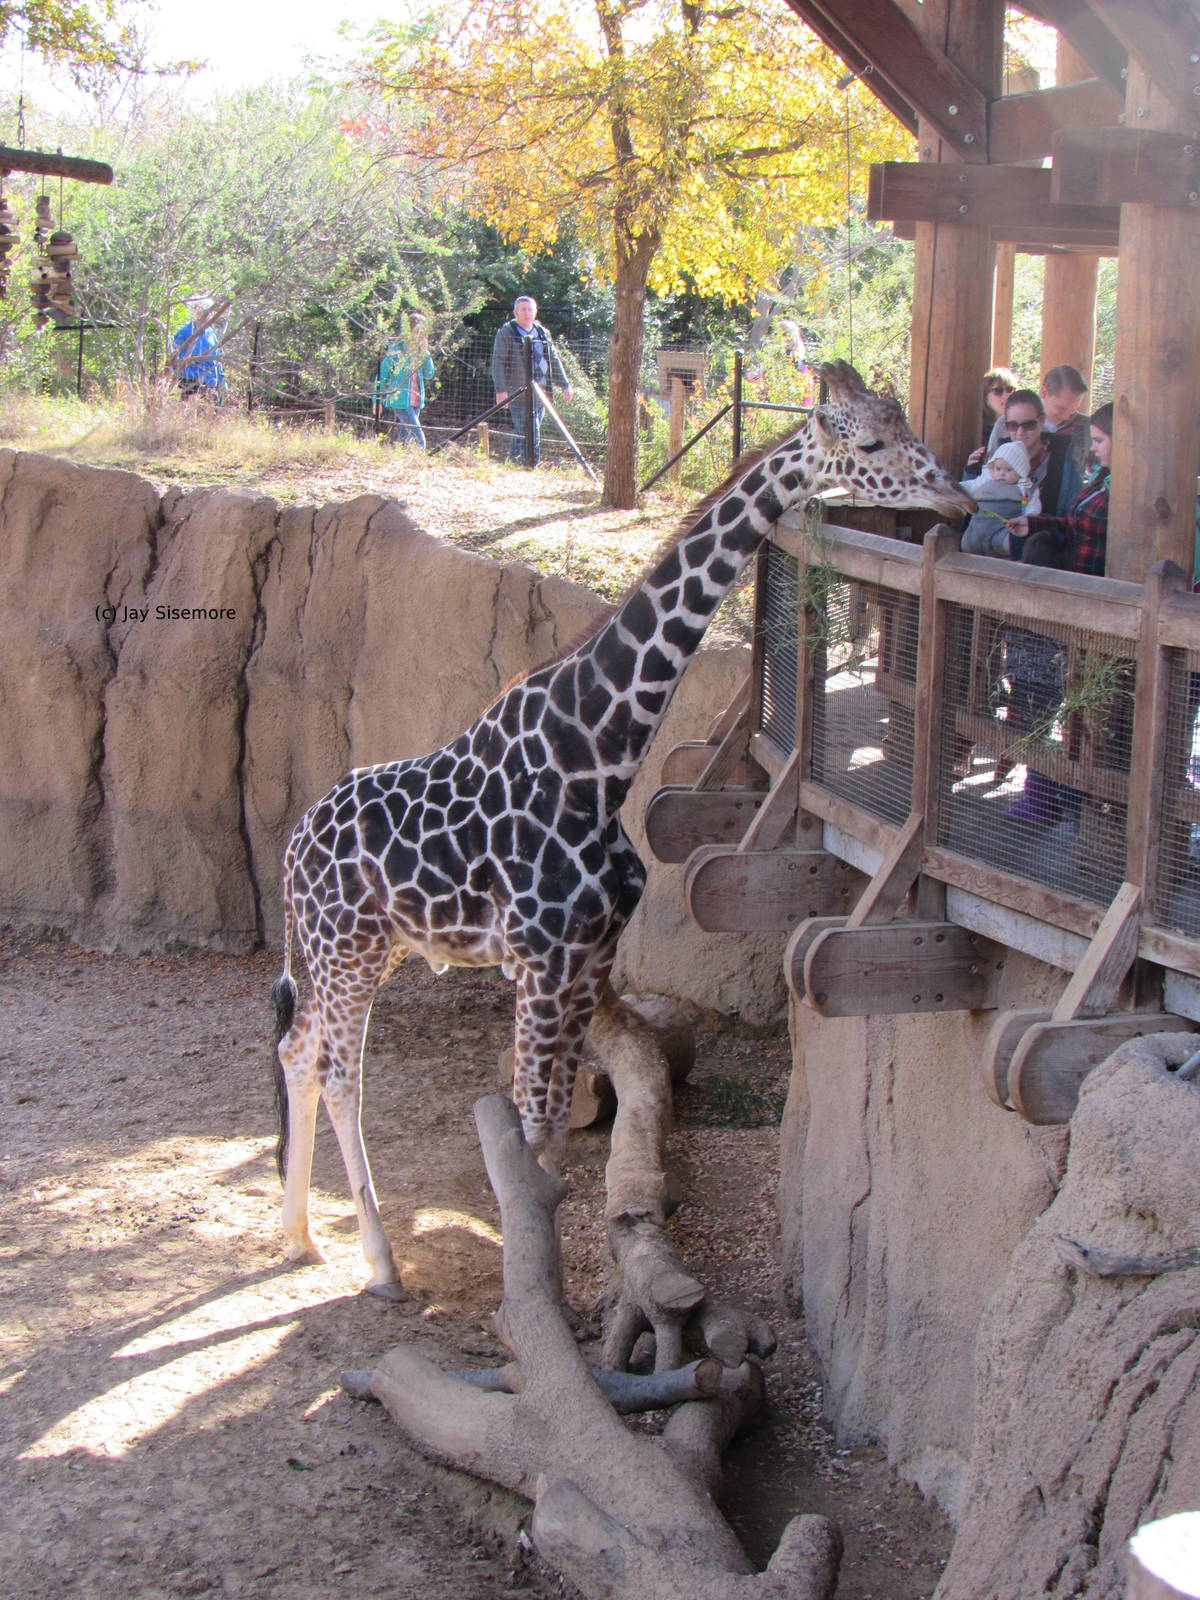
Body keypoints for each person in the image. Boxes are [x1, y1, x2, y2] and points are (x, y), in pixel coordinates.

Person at [999, 403, 1114, 822]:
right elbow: (1075, 523)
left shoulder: (1124, 488)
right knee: (1042, 696)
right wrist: (1040, 524)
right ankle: (1046, 793)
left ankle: (1060, 795)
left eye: (1100, 441)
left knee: (1071, 705)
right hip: (1068, 598)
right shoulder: (1102, 479)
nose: (1095, 448)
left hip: (1092, 606)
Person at [965, 388, 1082, 517]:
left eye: (1028, 425)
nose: (1020, 432)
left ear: (1042, 420)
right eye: (1013, 425)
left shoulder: (1063, 462)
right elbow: (972, 499)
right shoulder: (998, 455)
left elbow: (1073, 516)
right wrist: (971, 472)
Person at [491, 295, 572, 466]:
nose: (527, 313)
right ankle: (531, 467)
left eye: (530, 309)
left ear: (535, 312)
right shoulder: (506, 332)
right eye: (523, 309)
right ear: (515, 312)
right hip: (518, 393)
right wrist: (501, 390)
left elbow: (553, 360)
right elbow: (497, 362)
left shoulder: (542, 332)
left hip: (542, 393)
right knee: (530, 430)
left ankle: (512, 463)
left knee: (525, 431)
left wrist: (565, 384)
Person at [959, 439, 1040, 557]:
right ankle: (964, 544)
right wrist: (953, 487)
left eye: (1008, 470)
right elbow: (968, 486)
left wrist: (1029, 517)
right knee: (963, 540)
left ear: (1020, 472)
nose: (1002, 473)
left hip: (1002, 532)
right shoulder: (984, 482)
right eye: (998, 469)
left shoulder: (1024, 489)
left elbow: (1033, 506)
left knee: (1015, 541)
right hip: (974, 533)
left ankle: (1011, 548)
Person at [378, 313, 435, 449]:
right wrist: (377, 400)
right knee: (417, 434)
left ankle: (400, 458)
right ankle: (421, 459)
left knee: (405, 437)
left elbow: (429, 374)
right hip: (399, 399)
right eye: (417, 331)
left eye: (423, 332)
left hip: (416, 399)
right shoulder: (397, 349)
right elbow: (381, 375)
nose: (419, 335)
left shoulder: (421, 352)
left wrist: (425, 353)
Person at [1040, 363, 1091, 472]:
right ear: (1044, 393)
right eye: (1061, 408)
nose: (1067, 417)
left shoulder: (1088, 427)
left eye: (1073, 410)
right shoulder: (1014, 424)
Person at [173, 295, 225, 400]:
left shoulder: (210, 333)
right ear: (199, 312)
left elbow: (217, 360)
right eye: (210, 311)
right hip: (191, 385)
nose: (213, 314)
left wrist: (222, 383)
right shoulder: (184, 333)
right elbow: (176, 361)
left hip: (211, 384)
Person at [980, 365, 1018, 449]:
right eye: (998, 391)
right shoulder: (979, 432)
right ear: (986, 398)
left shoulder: (1023, 427)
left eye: (1010, 389)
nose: (1006, 395)